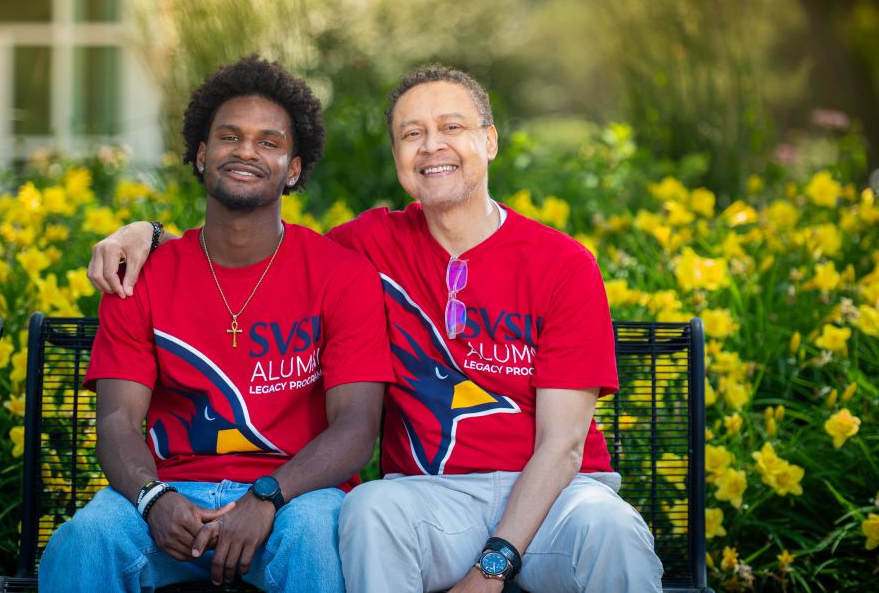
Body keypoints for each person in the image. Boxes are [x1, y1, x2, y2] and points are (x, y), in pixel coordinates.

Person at [89, 65, 663, 592]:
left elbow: (561, 449)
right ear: (397, 157)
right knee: (368, 514)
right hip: (432, 499)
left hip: (556, 496)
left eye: (452, 126)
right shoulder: (366, 247)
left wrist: (493, 567)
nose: (432, 144)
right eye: (412, 134)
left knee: (612, 529)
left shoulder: (561, 263)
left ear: (489, 141)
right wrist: (148, 235)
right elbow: (257, 237)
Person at [42, 55, 393, 593]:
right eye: (229, 137)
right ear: (202, 156)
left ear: (294, 169)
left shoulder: (341, 275)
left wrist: (267, 495)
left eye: (269, 142)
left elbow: (355, 428)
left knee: (318, 540)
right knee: (86, 539)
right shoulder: (138, 273)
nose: (246, 151)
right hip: (168, 492)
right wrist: (153, 497)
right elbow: (116, 419)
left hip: (294, 499)